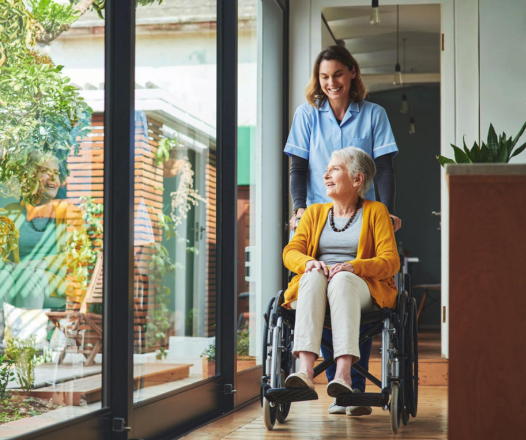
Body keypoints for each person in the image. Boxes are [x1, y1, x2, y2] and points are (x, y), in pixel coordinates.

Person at [284, 45, 401, 415]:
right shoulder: (307, 114)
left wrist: (386, 211)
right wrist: (300, 210)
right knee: (316, 280)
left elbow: (383, 167)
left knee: (347, 282)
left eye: (337, 74)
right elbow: (298, 167)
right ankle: (317, 373)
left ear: (352, 73)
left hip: (361, 213)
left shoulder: (373, 114)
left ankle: (350, 383)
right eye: (323, 76)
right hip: (321, 213)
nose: (330, 82)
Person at [282, 147, 399, 411]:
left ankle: (344, 376)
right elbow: (291, 252)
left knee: (342, 279)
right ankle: (304, 372)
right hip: (318, 287)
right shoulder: (313, 213)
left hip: (360, 288)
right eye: (325, 170)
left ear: (357, 179)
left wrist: (354, 267)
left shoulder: (376, 211)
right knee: (311, 277)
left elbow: (391, 260)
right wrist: (308, 262)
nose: (325, 176)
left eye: (334, 169)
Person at [0, 154, 73, 310]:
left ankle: (28, 334)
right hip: (18, 275)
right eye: (46, 171)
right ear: (29, 178)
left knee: (29, 279)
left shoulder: (69, 214)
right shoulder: (11, 213)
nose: (53, 178)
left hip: (54, 282)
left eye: (57, 173)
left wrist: (42, 263)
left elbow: (76, 256)